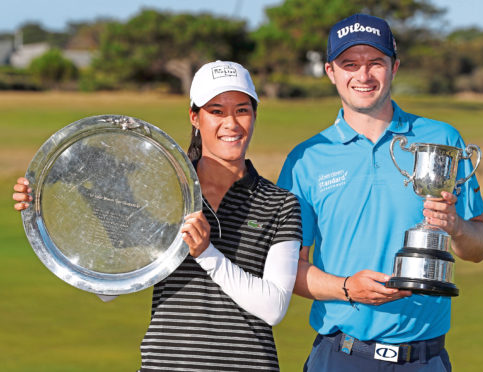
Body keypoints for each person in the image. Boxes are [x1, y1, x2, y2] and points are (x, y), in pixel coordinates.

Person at [13, 61, 302, 372]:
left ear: (255, 114)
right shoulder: (165, 189)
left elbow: (273, 307)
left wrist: (206, 252)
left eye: (241, 110)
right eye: (216, 111)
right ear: (195, 117)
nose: (230, 123)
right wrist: (40, 202)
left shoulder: (280, 204)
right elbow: (110, 289)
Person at [277, 14, 483, 372]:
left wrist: (456, 226)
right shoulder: (305, 159)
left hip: (425, 359)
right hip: (341, 356)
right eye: (350, 64)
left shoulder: (442, 139)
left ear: (394, 68)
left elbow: (479, 247)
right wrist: (347, 288)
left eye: (375, 62)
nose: (363, 76)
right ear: (331, 71)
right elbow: (288, 268)